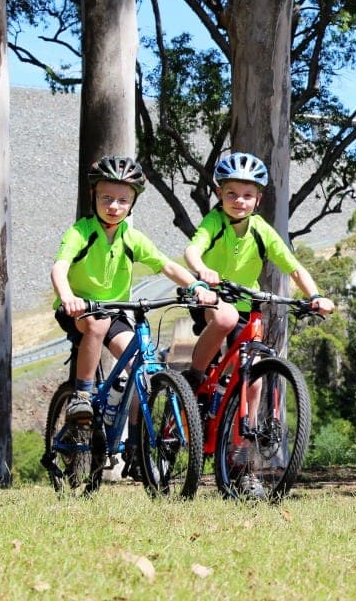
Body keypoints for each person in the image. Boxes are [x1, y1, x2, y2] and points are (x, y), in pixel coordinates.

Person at [50, 155, 215, 476]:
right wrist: (68, 296)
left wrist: (195, 286)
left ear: (132, 203)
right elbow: (60, 266)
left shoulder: (131, 236)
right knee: (96, 324)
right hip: (80, 309)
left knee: (145, 366)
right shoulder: (81, 232)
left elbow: (165, 264)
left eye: (122, 200)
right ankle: (81, 396)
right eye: (106, 198)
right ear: (93, 197)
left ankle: (138, 447)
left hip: (115, 312)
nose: (114, 206)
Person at [183, 152, 335, 496]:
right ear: (220, 194)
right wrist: (203, 272)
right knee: (224, 317)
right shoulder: (214, 222)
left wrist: (315, 296)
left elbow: (293, 266)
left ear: (259, 198)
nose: (239, 201)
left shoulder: (261, 230)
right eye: (232, 193)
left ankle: (241, 462)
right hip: (213, 298)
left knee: (253, 374)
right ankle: (196, 376)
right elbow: (192, 251)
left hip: (247, 302)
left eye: (248, 195)